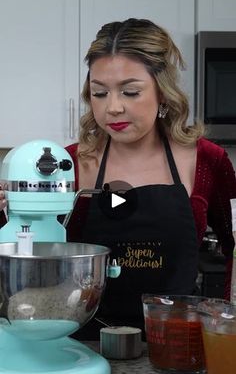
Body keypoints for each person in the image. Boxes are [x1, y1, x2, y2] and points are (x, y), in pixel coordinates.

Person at [1, 18, 236, 340]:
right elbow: (28, 252)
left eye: (130, 91)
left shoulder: (208, 160)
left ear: (163, 92)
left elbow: (230, 247)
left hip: (175, 342)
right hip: (79, 341)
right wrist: (6, 213)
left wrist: (222, 327)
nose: (112, 107)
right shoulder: (64, 164)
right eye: (99, 93)